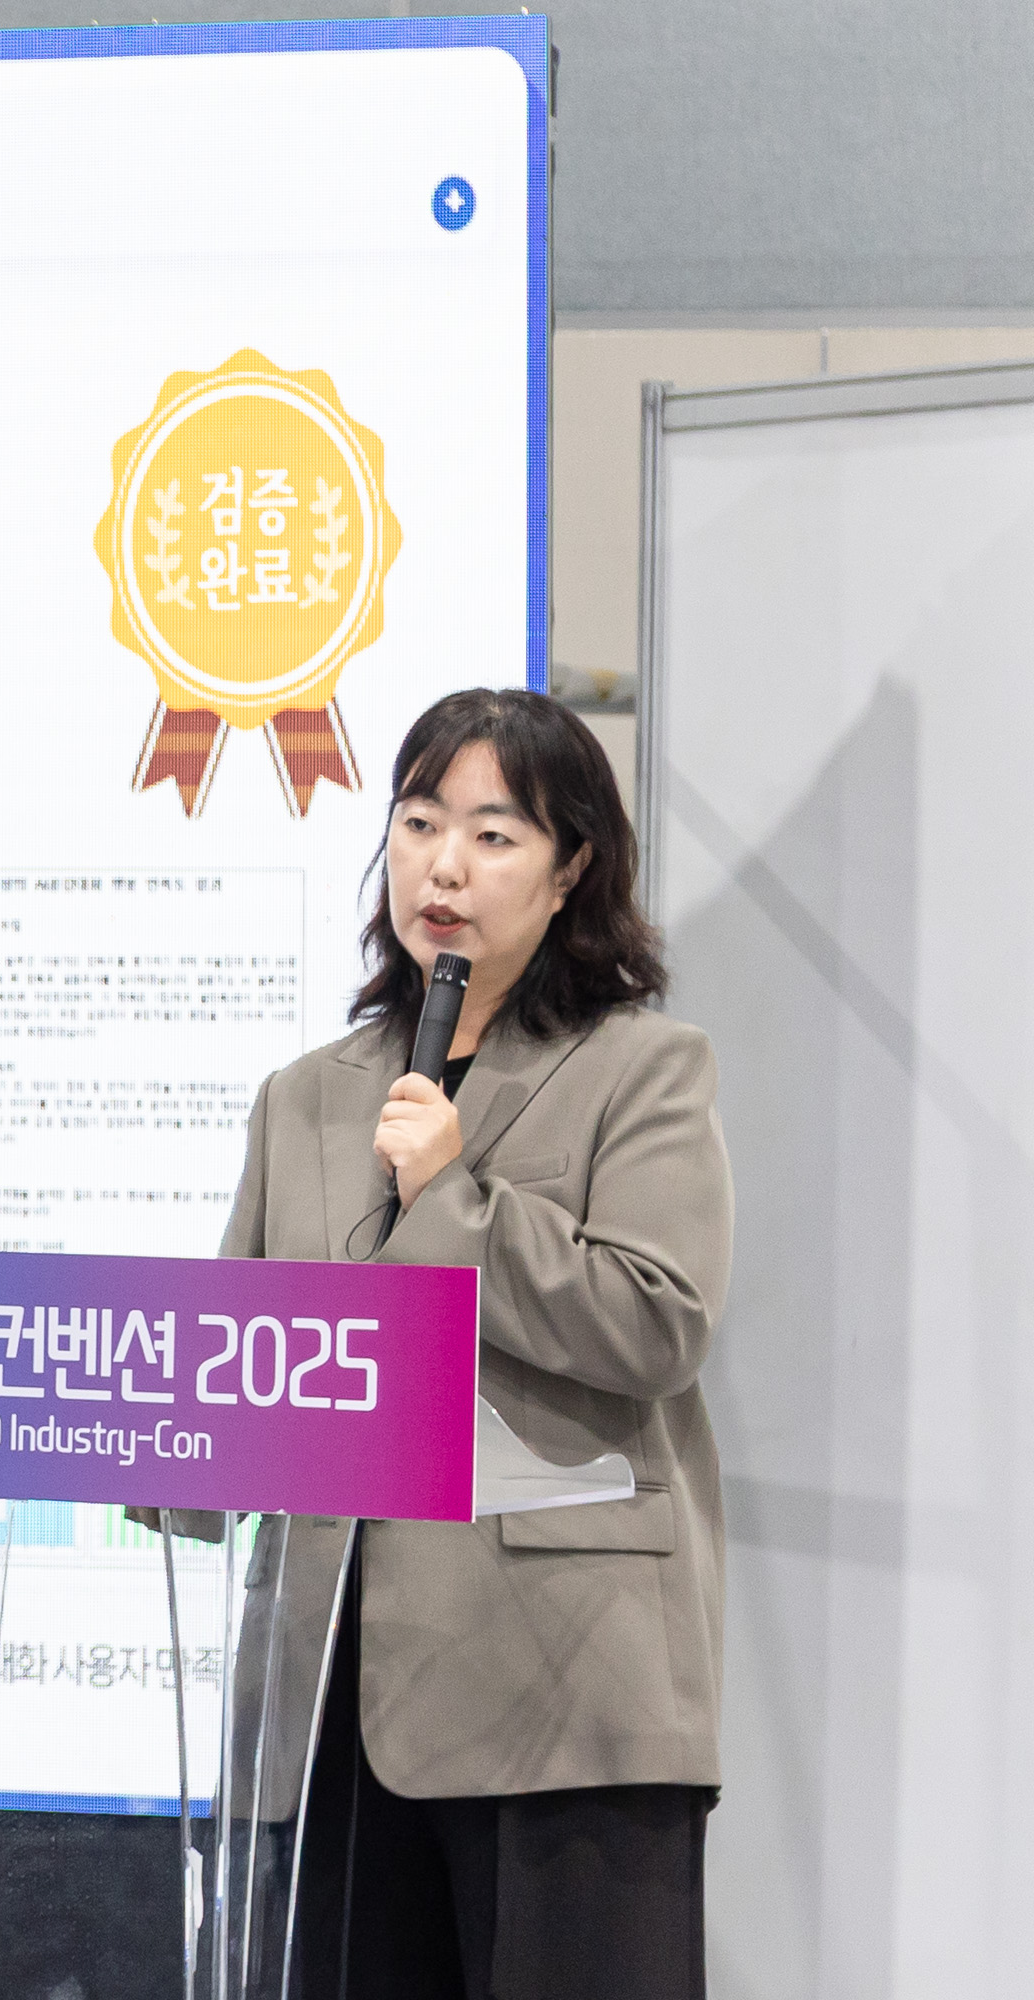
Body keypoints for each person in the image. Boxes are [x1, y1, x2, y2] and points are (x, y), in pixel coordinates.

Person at [226, 688, 734, 1999]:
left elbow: (658, 1319)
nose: (443, 865)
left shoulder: (642, 1066)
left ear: (571, 871)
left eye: (494, 835)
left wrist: (452, 1198)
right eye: (418, 823)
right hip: (335, 1704)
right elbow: (238, 1357)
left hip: (564, 1697)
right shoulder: (304, 1098)